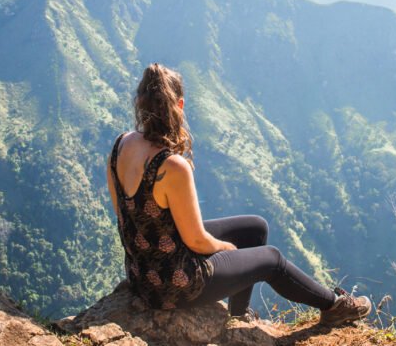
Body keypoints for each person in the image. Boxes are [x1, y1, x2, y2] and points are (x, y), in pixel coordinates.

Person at [105, 62, 372, 325]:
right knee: (273, 260)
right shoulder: (172, 166)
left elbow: (125, 216)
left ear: (140, 102)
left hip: (141, 275)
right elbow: (197, 242)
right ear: (179, 105)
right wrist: (225, 249)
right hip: (174, 287)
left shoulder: (120, 145)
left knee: (254, 229)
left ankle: (238, 315)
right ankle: (335, 306)